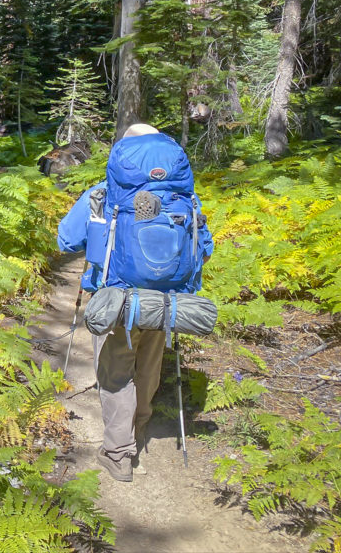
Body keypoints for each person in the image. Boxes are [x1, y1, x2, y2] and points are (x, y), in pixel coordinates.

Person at [57, 123, 214, 482]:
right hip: (165, 301)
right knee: (149, 366)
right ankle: (138, 427)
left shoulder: (104, 192)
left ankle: (118, 454)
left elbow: (66, 240)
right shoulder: (186, 198)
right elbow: (204, 250)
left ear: (122, 154)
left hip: (116, 301)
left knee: (115, 374)